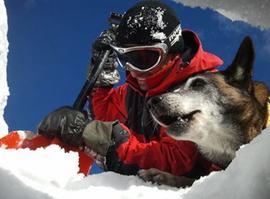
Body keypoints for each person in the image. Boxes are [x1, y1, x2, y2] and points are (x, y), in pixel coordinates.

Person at [38, 0, 223, 178]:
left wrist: (95, 133)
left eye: (144, 59)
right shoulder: (142, 87)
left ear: (171, 51)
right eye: (126, 59)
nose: (134, 72)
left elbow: (180, 163)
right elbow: (107, 115)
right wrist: (102, 80)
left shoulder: (200, 92)